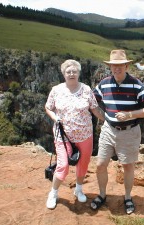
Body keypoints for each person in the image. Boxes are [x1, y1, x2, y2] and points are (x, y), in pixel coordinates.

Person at [91, 49, 144, 214]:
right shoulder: (104, 84)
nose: (116, 68)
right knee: (100, 165)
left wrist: (130, 115)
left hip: (129, 132)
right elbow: (91, 101)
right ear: (110, 67)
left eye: (120, 65)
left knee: (127, 166)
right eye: (113, 66)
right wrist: (102, 117)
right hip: (108, 130)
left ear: (126, 66)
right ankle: (103, 194)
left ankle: (127, 197)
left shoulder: (136, 85)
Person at [45, 59, 104, 209]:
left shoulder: (86, 90)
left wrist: (108, 120)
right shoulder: (56, 90)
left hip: (85, 136)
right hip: (63, 136)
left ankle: (78, 190)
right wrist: (54, 117)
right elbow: (48, 107)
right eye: (68, 71)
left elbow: (95, 109)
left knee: (83, 164)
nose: (71, 74)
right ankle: (53, 193)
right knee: (63, 165)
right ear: (63, 73)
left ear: (78, 73)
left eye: (74, 71)